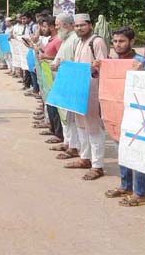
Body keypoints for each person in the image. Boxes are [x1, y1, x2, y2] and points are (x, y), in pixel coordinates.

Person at [104, 27, 145, 206]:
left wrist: (140, 73)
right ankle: (126, 185)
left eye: (121, 41)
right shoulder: (114, 62)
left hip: (136, 113)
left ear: (131, 42)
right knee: (121, 150)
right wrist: (97, 69)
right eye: (115, 41)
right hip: (118, 112)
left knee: (137, 151)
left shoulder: (140, 62)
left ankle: (140, 193)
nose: (117, 45)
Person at [63, 13, 109, 181]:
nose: (79, 28)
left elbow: (104, 67)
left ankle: (98, 166)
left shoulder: (97, 42)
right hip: (79, 89)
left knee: (93, 127)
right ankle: (85, 158)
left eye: (82, 25)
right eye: (76, 26)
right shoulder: (79, 42)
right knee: (81, 126)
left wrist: (94, 69)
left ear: (90, 25)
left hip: (92, 90)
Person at [48, 13, 80, 159]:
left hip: (71, 82)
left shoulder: (75, 40)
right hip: (63, 81)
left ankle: (74, 147)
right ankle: (67, 142)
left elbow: (77, 62)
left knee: (71, 118)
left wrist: (60, 66)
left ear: (66, 25)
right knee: (65, 117)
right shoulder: (65, 39)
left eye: (57, 25)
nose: (55, 27)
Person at [36, 16, 63, 144]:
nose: (42, 29)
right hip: (48, 73)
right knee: (49, 103)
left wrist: (45, 56)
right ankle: (53, 129)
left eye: (45, 26)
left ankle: (58, 133)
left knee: (55, 106)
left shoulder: (58, 40)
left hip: (55, 75)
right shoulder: (52, 39)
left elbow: (59, 58)